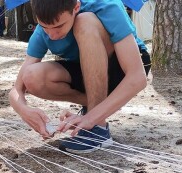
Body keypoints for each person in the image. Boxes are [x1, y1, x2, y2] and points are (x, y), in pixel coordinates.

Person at [8, 0, 151, 154]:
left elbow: (137, 77)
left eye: (59, 26)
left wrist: (91, 118)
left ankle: (97, 127)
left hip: (121, 69)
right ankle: (93, 106)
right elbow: (17, 89)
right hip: (85, 71)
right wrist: (23, 110)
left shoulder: (105, 5)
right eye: (44, 27)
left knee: (85, 21)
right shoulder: (45, 30)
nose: (52, 35)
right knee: (31, 76)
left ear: (76, 7)